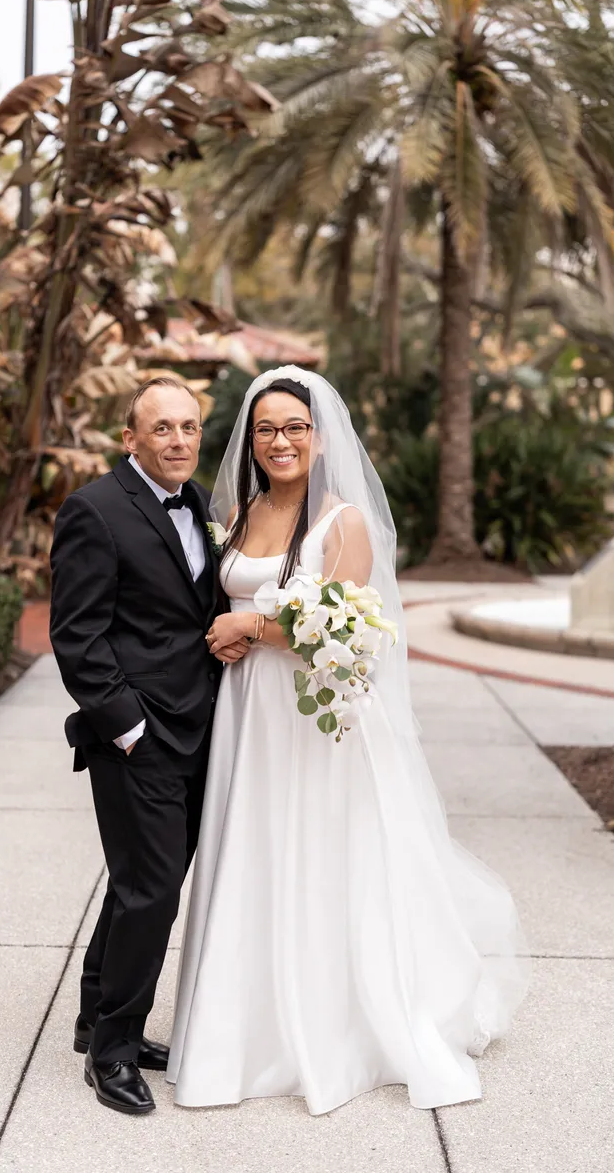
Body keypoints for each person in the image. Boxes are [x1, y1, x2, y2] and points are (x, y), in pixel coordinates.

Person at [167, 367, 529, 1116]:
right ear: (251, 440)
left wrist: (252, 627)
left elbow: (348, 637)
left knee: (319, 858)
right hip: (247, 716)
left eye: (294, 427)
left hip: (313, 719)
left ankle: (327, 1024)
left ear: (321, 436)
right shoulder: (233, 515)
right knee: (253, 851)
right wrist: (225, 632)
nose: (280, 441)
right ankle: (241, 1019)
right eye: (266, 428)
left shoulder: (343, 524)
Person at [49, 376, 248, 1115]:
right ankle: (114, 1053)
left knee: (138, 884)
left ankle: (96, 1017)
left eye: (189, 428)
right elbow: (78, 636)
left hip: (201, 729)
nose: (178, 441)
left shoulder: (199, 504)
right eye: (160, 428)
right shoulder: (94, 509)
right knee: (152, 891)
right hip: (138, 738)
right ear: (129, 438)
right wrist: (129, 728)